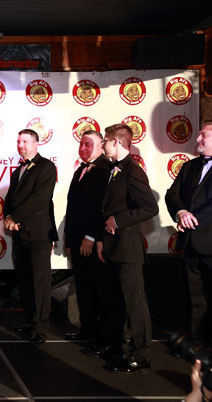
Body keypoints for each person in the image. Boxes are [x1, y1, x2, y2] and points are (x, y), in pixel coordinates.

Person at [96, 123, 158, 373]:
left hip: (128, 248)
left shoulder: (133, 171)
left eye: (105, 141)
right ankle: (116, 346)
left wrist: (119, 221)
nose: (102, 145)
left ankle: (141, 355)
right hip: (113, 246)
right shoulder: (112, 170)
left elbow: (150, 207)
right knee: (116, 301)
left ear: (117, 142)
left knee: (135, 304)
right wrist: (101, 239)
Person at [3, 129, 58, 346]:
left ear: (36, 143)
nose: (21, 144)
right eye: (18, 141)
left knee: (39, 282)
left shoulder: (46, 167)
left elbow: (40, 199)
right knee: (25, 280)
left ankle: (40, 327)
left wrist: (15, 217)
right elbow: (10, 199)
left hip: (38, 234)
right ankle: (29, 321)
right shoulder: (18, 170)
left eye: (25, 141)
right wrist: (9, 217)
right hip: (19, 234)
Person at [165, 121, 212, 341]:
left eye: (204, 135)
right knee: (195, 297)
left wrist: (196, 219)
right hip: (191, 243)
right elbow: (172, 195)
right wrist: (181, 212)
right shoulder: (189, 167)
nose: (198, 139)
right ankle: (197, 343)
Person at [63, 130, 110, 343]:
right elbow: (72, 208)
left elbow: (101, 207)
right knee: (83, 286)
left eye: (88, 144)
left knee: (98, 287)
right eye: (81, 144)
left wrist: (91, 236)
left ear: (101, 146)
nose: (82, 148)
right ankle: (87, 328)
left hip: (92, 241)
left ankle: (101, 334)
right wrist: (69, 238)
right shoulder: (80, 171)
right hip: (76, 240)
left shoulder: (105, 169)